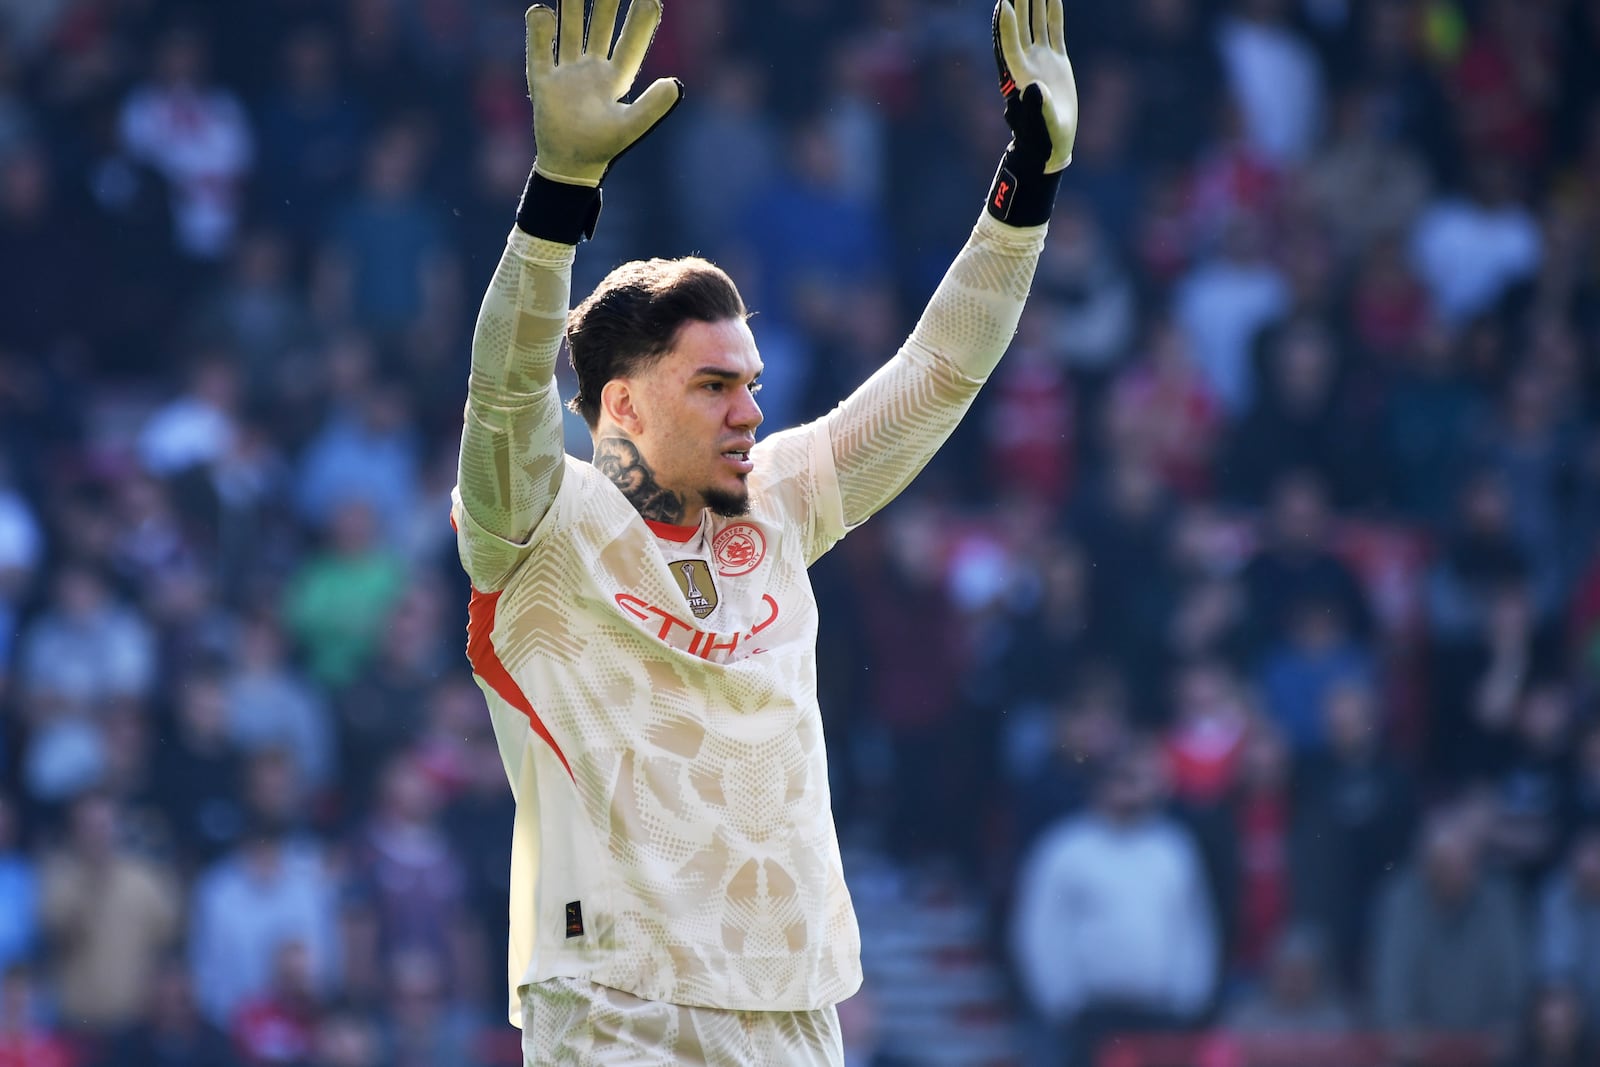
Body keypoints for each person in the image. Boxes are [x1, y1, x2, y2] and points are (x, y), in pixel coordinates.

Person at [449, 0, 1079, 1062]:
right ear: (622, 404)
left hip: (792, 1007)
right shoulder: (534, 525)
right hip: (617, 1002)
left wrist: (1027, 185)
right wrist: (558, 197)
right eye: (712, 385)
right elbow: (503, 391)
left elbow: (937, 373)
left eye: (751, 382)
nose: (749, 410)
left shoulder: (780, 498)